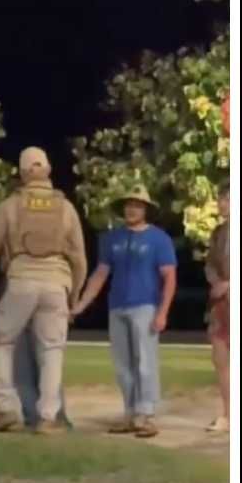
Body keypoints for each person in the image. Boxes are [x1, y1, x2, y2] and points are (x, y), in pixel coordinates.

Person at [0, 146, 87, 434]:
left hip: (21, 280)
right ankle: (48, 417)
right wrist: (73, 296)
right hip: (56, 283)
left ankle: (6, 408)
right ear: (48, 170)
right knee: (52, 350)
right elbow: (79, 260)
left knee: (4, 340)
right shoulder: (65, 208)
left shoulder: (10, 206)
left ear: (22, 174)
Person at [73, 184, 178, 438]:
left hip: (145, 306)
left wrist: (163, 312)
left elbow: (169, 277)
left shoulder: (159, 239)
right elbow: (100, 274)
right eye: (129, 205)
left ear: (146, 210)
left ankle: (146, 414)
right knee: (123, 364)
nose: (132, 210)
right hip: (117, 306)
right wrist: (81, 304)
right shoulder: (112, 238)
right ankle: (130, 413)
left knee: (145, 361)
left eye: (137, 206)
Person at [204, 185, 230, 433]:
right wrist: (217, 283)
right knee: (220, 357)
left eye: (226, 199)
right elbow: (210, 264)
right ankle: (228, 414)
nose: (221, 204)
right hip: (221, 303)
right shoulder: (218, 233)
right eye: (220, 199)